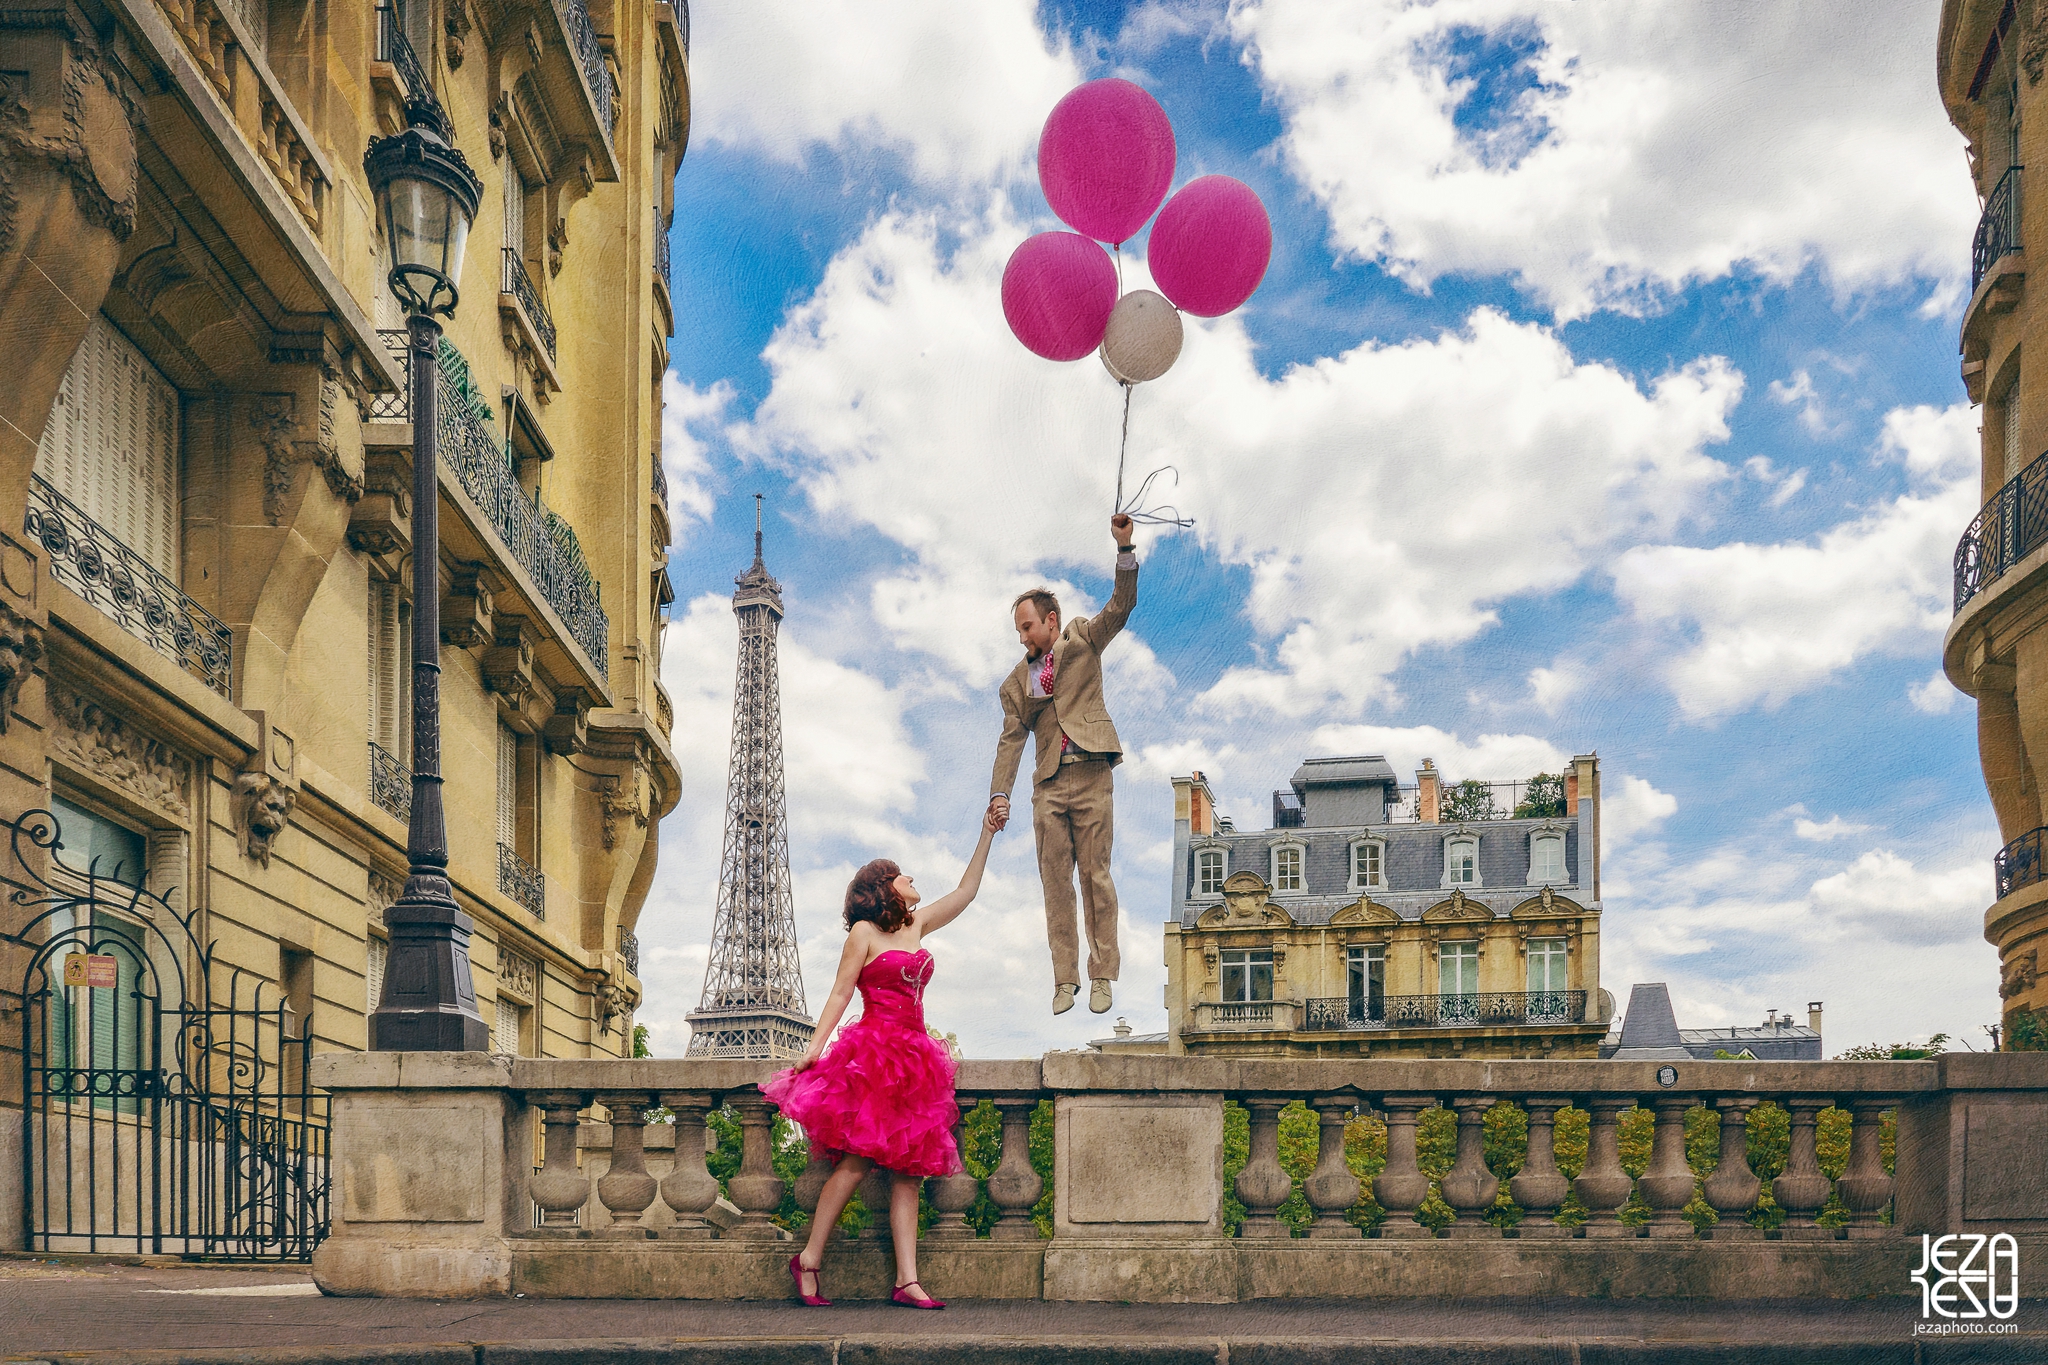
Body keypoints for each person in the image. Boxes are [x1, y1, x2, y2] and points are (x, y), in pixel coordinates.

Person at [764, 807, 1000, 1308]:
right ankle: (808, 1260)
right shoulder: (865, 934)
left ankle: (907, 1281)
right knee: (853, 1164)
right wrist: (813, 1049)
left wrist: (986, 833)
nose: (912, 877)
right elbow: (839, 995)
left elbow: (966, 892)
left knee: (909, 1172)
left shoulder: (917, 925)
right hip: (874, 1054)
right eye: (901, 874)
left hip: (916, 1060)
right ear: (886, 888)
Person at [988, 514, 1138, 1016]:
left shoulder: (1082, 639)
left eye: (1027, 626)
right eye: (1018, 630)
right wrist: (999, 794)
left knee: (1096, 876)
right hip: (1049, 785)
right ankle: (1064, 980)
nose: (1022, 636)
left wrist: (1123, 550)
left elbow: (1120, 608)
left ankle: (1102, 976)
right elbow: (1011, 738)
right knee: (1055, 884)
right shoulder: (1018, 681)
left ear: (1051, 620)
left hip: (1092, 775)